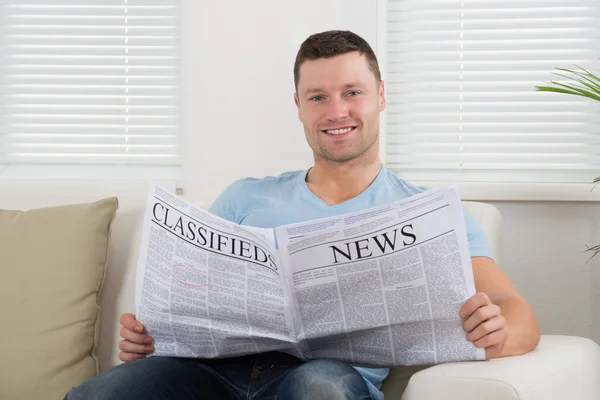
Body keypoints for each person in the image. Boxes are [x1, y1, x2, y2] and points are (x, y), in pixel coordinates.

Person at [65, 30, 540, 400]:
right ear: (299, 107)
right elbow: (189, 300)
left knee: (321, 390)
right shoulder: (244, 198)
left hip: (322, 377)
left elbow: (518, 314)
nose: (336, 111)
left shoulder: (432, 212)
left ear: (380, 96)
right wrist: (151, 338)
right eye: (318, 97)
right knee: (101, 392)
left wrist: (498, 332)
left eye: (352, 92)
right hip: (207, 373)